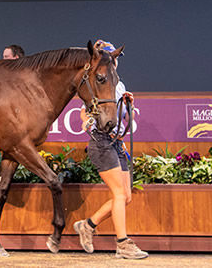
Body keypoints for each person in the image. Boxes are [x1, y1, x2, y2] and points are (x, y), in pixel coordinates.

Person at [73, 40, 148, 259]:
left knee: (126, 196)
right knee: (118, 193)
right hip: (101, 142)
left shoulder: (119, 84)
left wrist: (128, 105)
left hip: (116, 141)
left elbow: (125, 117)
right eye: (109, 57)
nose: (113, 60)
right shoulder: (99, 81)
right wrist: (86, 121)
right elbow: (84, 110)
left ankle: (88, 225)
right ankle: (123, 244)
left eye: (114, 57)